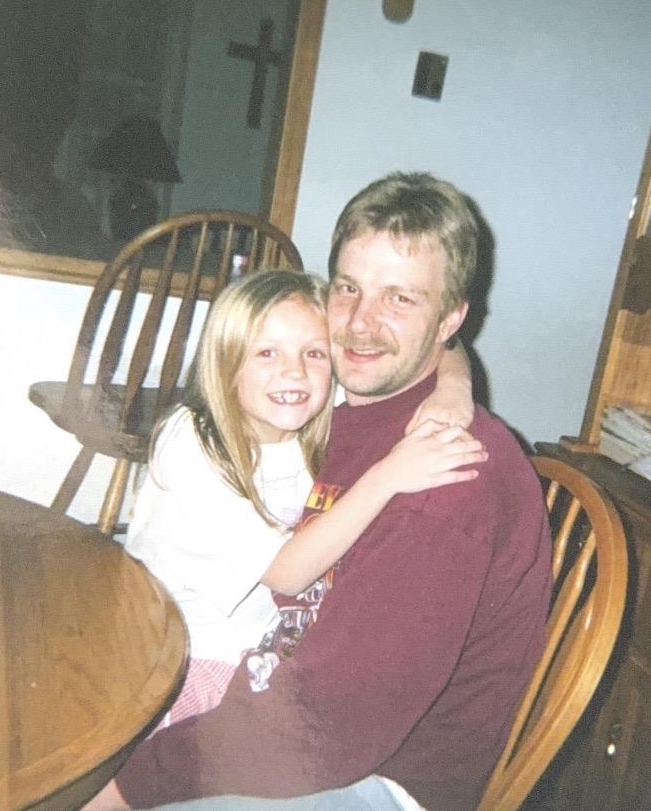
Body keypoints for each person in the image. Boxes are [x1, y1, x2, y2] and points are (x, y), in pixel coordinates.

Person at [84, 172, 552, 811]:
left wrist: (128, 789)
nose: (361, 324)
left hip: (366, 778)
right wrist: (455, 376)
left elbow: (329, 724)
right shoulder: (331, 404)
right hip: (263, 702)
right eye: (350, 289)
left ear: (451, 319)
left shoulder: (446, 476)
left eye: (401, 300)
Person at [125, 269, 488, 726]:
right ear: (225, 362)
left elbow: (444, 343)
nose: (294, 370)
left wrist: (455, 388)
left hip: (258, 648)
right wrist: (388, 475)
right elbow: (287, 574)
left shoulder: (304, 402)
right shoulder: (192, 440)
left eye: (314, 352)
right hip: (169, 656)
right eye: (266, 352)